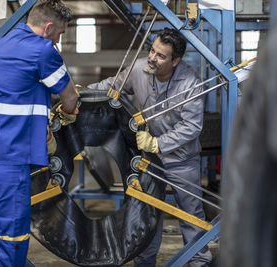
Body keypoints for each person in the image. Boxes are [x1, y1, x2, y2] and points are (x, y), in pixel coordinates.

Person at [88, 28, 212, 267]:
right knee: (147, 214)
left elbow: (192, 126)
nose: (153, 59)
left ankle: (199, 262)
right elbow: (113, 86)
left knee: (190, 215)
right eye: (152, 51)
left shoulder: (190, 82)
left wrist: (158, 143)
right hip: (148, 160)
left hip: (181, 160)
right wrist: (79, 91)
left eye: (161, 56)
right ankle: (144, 262)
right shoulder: (139, 69)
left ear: (176, 61)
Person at [0, 0, 79, 266]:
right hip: (9, 161)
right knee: (13, 241)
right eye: (60, 34)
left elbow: (16, 94)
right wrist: (66, 114)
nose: (58, 41)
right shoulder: (41, 50)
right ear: (49, 27)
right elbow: (70, 98)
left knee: (3, 236)